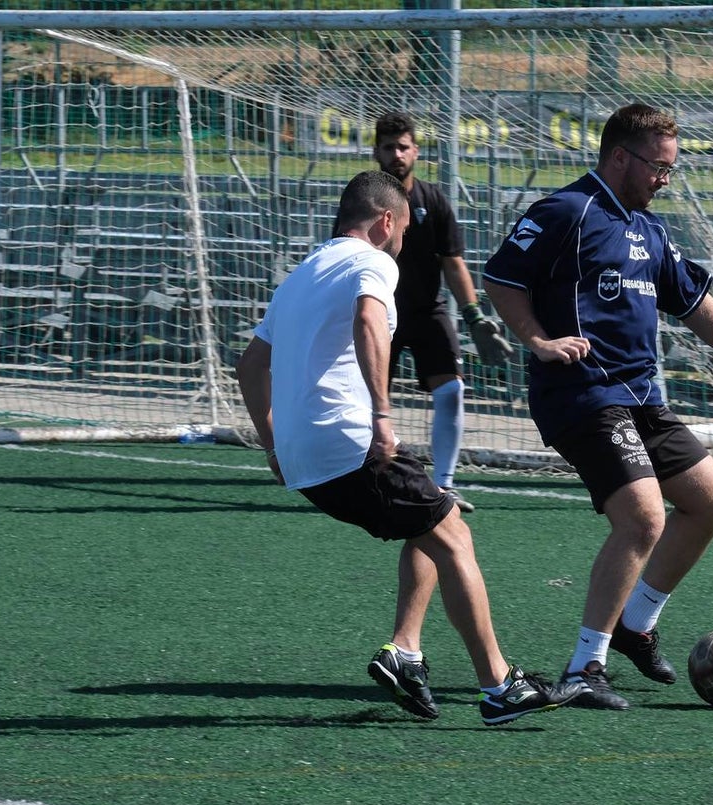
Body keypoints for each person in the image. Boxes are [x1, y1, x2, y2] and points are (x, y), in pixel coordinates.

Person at [482, 103, 713, 710]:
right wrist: (538, 340)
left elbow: (695, 304)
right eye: (658, 166)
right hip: (582, 394)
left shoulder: (649, 229)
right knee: (644, 518)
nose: (664, 179)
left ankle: (634, 625)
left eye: (670, 169)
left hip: (640, 396)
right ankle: (585, 667)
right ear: (620, 157)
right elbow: (501, 277)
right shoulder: (566, 211)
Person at [235, 170, 577, 725]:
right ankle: (499, 686)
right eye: (403, 231)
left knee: (432, 518)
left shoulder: (301, 274)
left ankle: (405, 651)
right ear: (386, 221)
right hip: (348, 443)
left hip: (303, 459)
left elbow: (249, 366)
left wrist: (274, 447)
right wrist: (381, 415)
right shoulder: (373, 262)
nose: (403, 242)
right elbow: (369, 319)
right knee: (455, 537)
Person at [373, 111, 513, 514]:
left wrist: (474, 316)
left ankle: (445, 485)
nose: (397, 154)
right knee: (371, 401)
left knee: (451, 390)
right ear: (376, 152)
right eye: (389, 147)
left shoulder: (432, 200)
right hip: (377, 313)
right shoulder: (364, 199)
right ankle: (372, 478)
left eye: (403, 146)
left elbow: (453, 263)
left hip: (426, 311)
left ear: (416, 151)